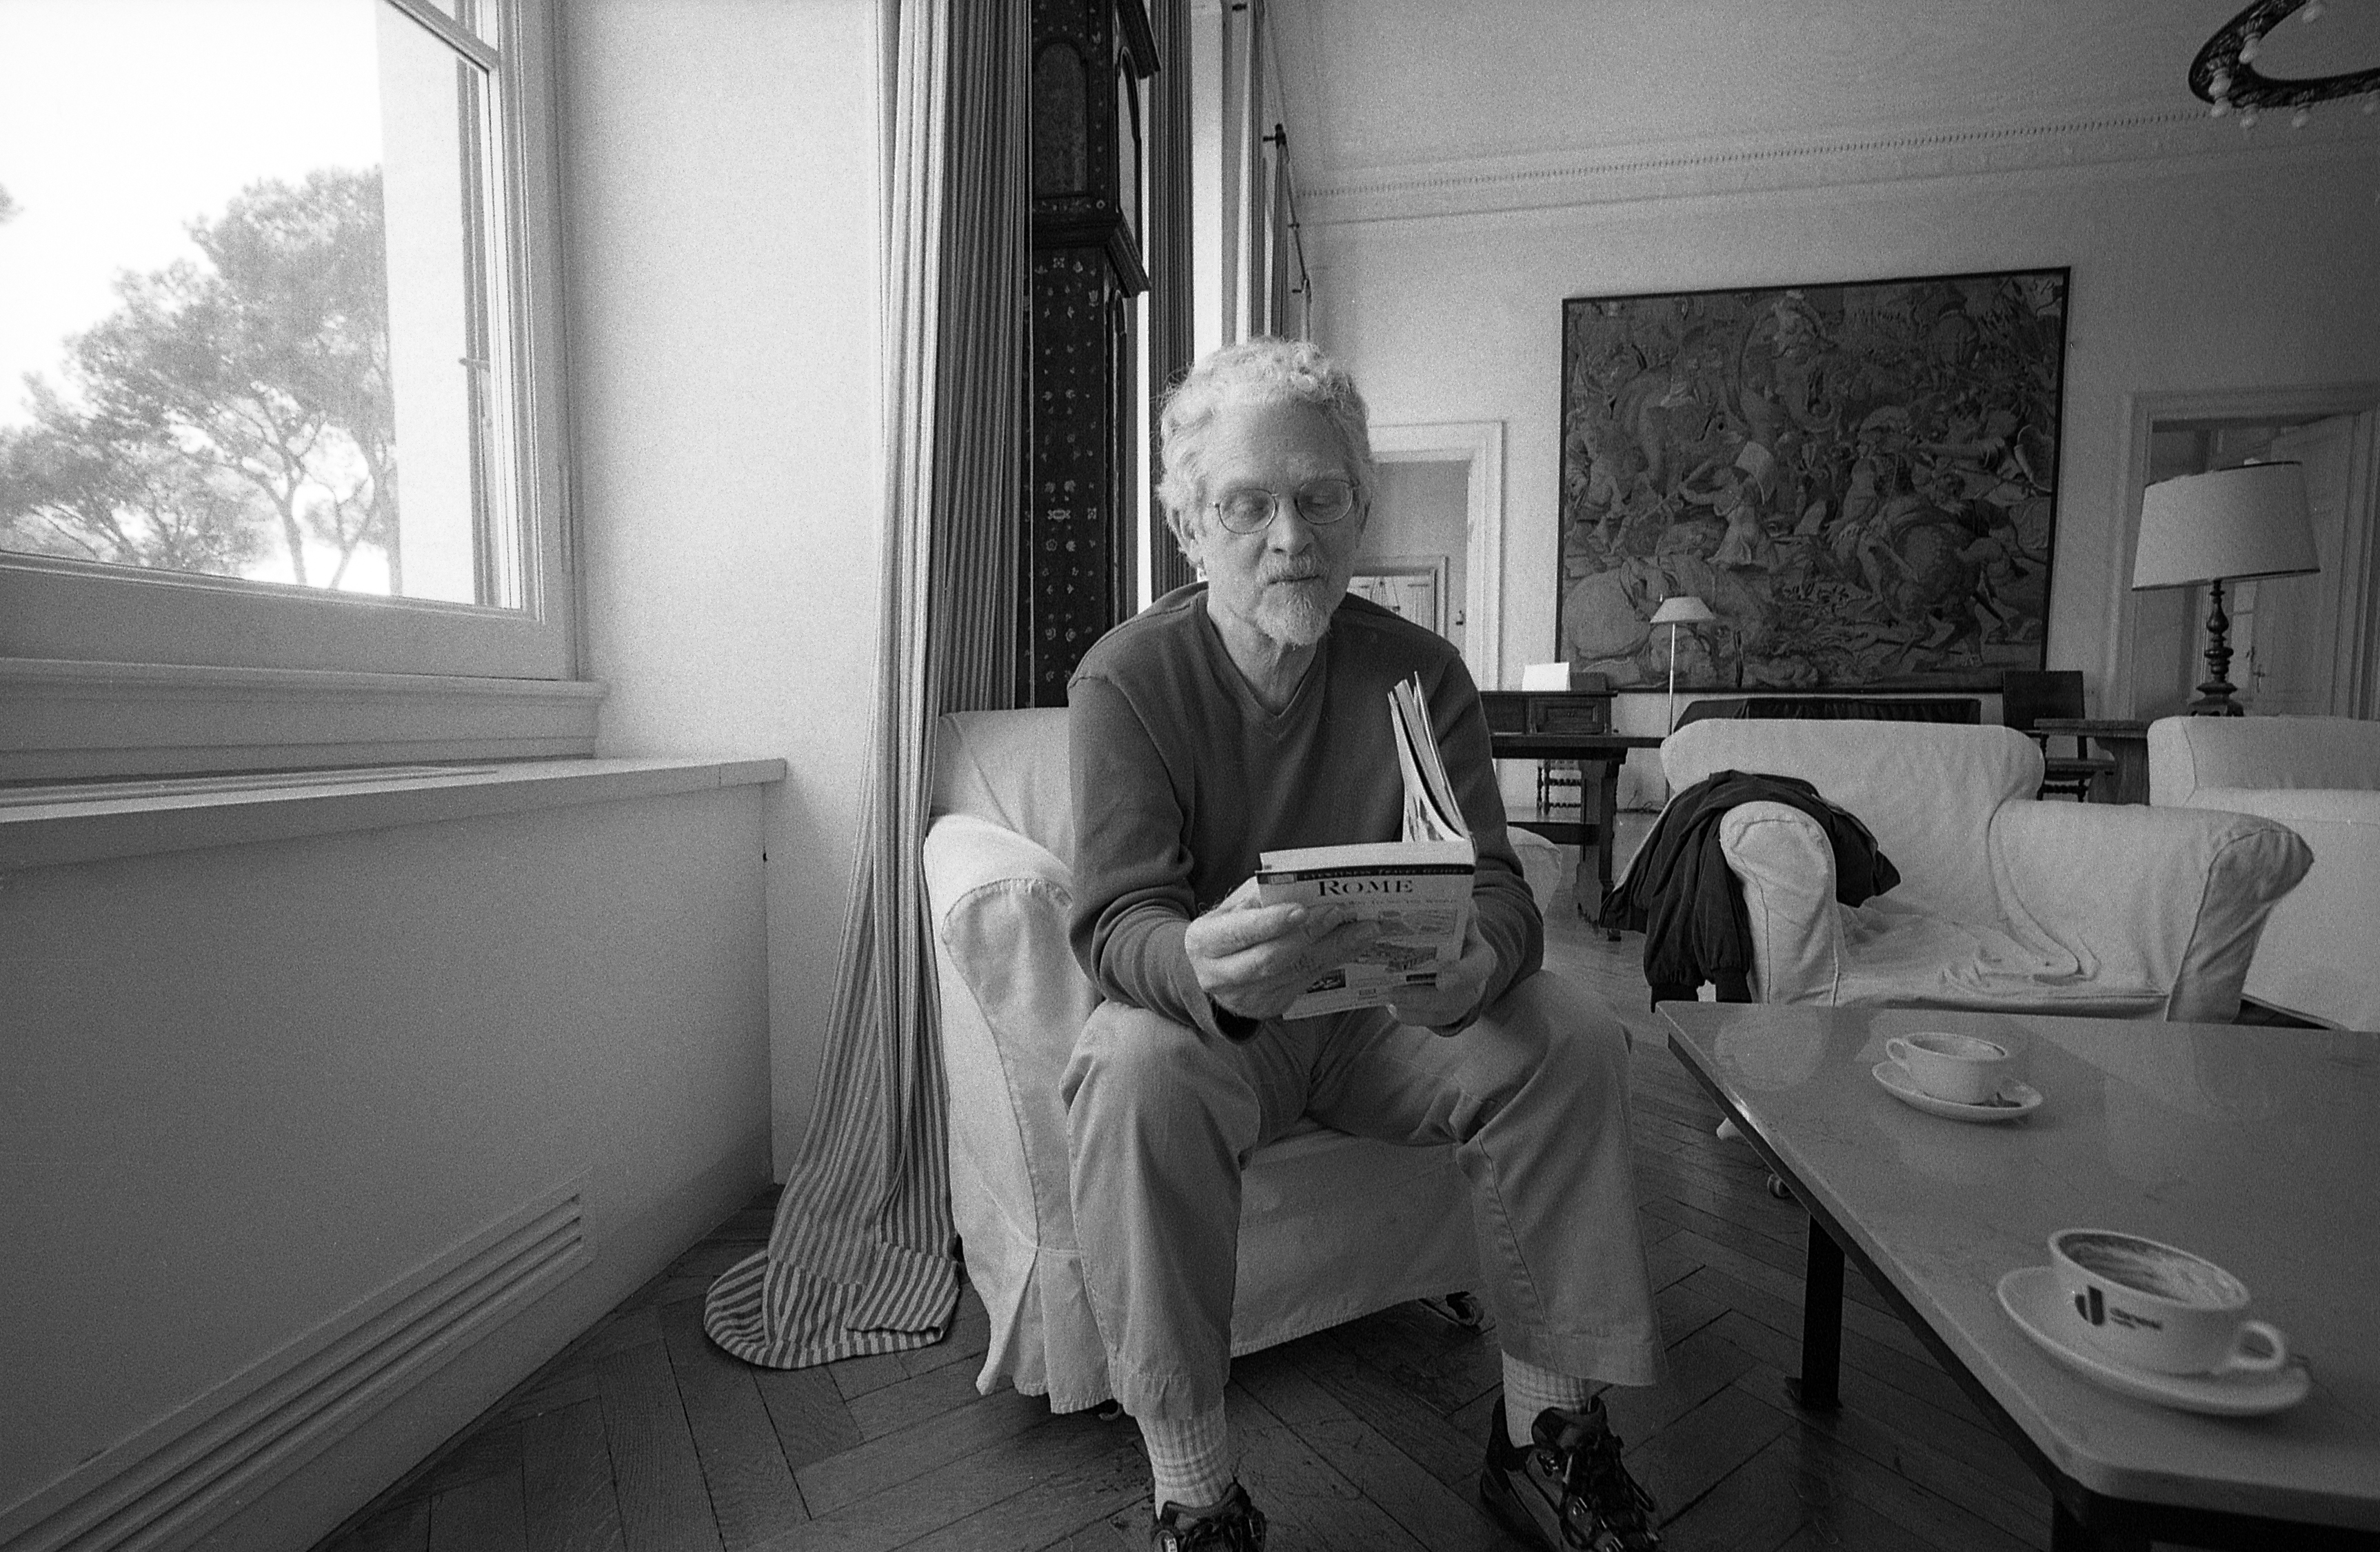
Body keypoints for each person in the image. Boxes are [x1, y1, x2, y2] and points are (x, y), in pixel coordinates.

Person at [1063, 337, 1666, 1552]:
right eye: (1248, 504)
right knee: (1128, 1068)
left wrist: (1481, 962)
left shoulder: (1422, 673)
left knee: (1570, 1033)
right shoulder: (1127, 680)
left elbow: (1496, 885)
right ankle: (1195, 1492)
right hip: (1226, 1038)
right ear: (1190, 528)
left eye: (1321, 497)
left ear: (1360, 510)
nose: (1291, 538)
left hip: (1391, 1025)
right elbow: (1117, 919)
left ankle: (1545, 1432)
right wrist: (1193, 962)